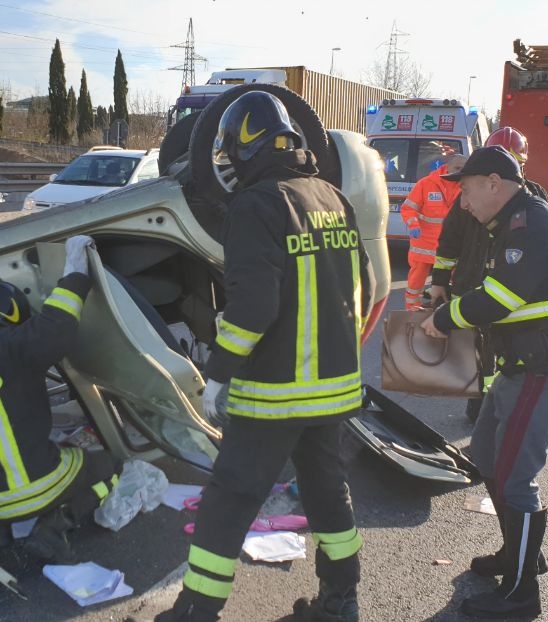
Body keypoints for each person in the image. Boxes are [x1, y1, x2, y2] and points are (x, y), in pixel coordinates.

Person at [156, 91, 376, 622]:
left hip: (274, 394)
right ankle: (341, 602)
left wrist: (217, 374)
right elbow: (364, 286)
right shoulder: (331, 198)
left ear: (244, 148)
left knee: (230, 499)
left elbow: (253, 307)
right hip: (333, 392)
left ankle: (196, 610)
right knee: (328, 495)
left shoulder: (256, 205)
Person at [419, 146, 548, 619]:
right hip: (521, 366)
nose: (463, 202)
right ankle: (519, 554)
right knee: (488, 457)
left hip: (544, 368)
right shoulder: (510, 221)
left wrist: (443, 318)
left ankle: (520, 595)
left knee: (516, 478)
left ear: (494, 182)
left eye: (467, 190)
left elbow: (500, 298)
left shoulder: (529, 226)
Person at [0, 235, 121, 562]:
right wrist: (77, 275)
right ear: (14, 315)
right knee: (110, 465)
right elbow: (57, 327)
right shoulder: (11, 344)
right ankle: (56, 525)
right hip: (31, 488)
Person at [429, 127, 547, 422]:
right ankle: (480, 406)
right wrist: (440, 281)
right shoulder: (470, 198)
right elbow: (449, 240)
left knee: (504, 349)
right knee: (475, 351)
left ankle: (496, 405)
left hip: (504, 289)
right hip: (471, 284)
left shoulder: (533, 200)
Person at [401, 153, 467, 309]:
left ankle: (450, 311)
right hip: (424, 244)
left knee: (458, 283)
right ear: (447, 167)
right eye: (457, 168)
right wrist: (413, 225)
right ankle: (412, 312)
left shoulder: (466, 186)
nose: (460, 171)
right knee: (415, 283)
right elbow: (408, 208)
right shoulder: (426, 184)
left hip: (452, 246)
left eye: (463, 168)